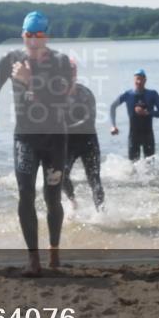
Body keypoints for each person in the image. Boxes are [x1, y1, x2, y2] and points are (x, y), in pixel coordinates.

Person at [0, 10, 73, 276]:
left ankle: (54, 252)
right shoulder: (10, 60)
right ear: (22, 34)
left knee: (53, 198)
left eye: (38, 34)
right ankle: (33, 259)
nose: (33, 39)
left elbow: (58, 101)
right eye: (28, 34)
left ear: (46, 37)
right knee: (25, 194)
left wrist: (30, 81)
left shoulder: (60, 62)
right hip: (25, 139)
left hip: (55, 138)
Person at [63, 65, 104, 211]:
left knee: (94, 179)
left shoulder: (85, 93)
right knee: (61, 176)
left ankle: (101, 212)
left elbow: (89, 120)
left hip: (88, 141)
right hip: (68, 144)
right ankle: (73, 202)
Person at [110, 70, 159, 161]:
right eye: (137, 79)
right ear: (134, 80)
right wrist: (113, 126)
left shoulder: (152, 94)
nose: (139, 82)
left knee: (150, 165)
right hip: (134, 135)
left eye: (141, 79)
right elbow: (112, 106)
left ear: (145, 80)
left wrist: (147, 112)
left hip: (148, 135)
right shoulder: (128, 94)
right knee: (133, 165)